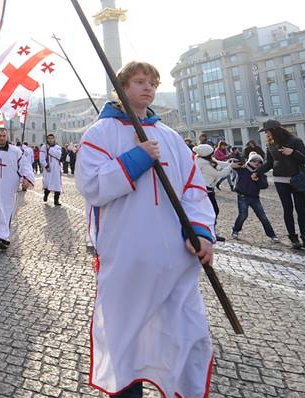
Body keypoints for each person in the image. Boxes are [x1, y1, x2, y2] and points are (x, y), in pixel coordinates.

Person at [75, 61, 215, 398]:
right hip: (128, 257)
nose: (148, 87)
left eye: (152, 82)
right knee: (127, 336)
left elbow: (194, 191)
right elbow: (91, 185)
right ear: (122, 87)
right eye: (139, 81)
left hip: (176, 260)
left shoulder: (171, 139)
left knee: (187, 332)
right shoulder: (100, 133)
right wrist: (135, 159)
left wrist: (200, 232)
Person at [260, 119, 305, 250]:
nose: (266, 134)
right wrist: (257, 173)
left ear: (275, 130)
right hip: (280, 180)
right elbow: (269, 163)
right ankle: (293, 238)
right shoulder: (270, 144)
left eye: (267, 131)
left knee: (301, 210)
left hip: (298, 179)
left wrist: (292, 152)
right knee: (288, 210)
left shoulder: (295, 141)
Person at [0, 128, 34, 249]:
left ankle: (0, 236)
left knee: (7, 210)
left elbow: (24, 165)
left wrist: (26, 178)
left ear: (7, 136)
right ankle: (1, 236)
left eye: (4, 136)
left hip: (10, 186)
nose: (2, 138)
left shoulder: (15, 151)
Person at [230, 152, 278, 242]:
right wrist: (238, 161)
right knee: (243, 215)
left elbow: (264, 185)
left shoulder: (260, 173)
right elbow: (232, 163)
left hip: (255, 197)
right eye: (254, 161)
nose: (257, 163)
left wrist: (257, 180)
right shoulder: (243, 169)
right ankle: (235, 230)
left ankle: (272, 235)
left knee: (263, 216)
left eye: (259, 162)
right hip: (242, 196)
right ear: (249, 161)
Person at [193, 144, 230, 242]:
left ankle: (209, 231)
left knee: (211, 211)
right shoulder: (203, 164)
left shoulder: (203, 160)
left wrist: (228, 163)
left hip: (208, 189)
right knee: (213, 210)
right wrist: (230, 166)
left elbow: (218, 163)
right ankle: (210, 232)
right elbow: (220, 173)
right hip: (206, 190)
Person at [41, 134, 63, 205]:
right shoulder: (44, 147)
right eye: (49, 138)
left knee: (57, 184)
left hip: (56, 168)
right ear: (47, 139)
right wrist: (46, 166)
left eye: (52, 138)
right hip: (48, 169)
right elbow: (42, 158)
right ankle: (46, 195)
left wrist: (49, 149)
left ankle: (56, 200)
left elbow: (58, 155)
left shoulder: (58, 147)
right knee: (47, 183)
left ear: (54, 139)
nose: (50, 140)